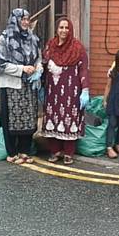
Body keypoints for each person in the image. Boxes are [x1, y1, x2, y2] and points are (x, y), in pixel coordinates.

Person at [0, 8, 41, 165]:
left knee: (28, 118)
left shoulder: (33, 39)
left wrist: (38, 70)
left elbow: (38, 58)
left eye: (28, 19)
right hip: (11, 85)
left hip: (28, 85)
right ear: (15, 20)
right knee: (11, 119)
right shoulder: (5, 39)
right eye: (22, 19)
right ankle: (12, 153)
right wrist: (22, 69)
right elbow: (0, 65)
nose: (26, 22)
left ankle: (24, 151)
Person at [42, 18, 89, 165]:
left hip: (71, 91)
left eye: (66, 28)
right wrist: (39, 79)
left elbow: (83, 70)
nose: (63, 30)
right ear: (57, 29)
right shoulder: (50, 46)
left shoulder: (77, 48)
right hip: (52, 91)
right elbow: (43, 64)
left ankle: (68, 153)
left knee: (69, 118)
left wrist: (85, 89)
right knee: (52, 117)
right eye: (61, 27)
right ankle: (54, 151)